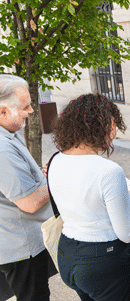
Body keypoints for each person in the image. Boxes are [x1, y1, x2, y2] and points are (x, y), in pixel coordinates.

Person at [48, 93, 130, 300]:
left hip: (68, 255)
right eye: (113, 124)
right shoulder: (108, 171)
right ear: (99, 126)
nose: (115, 131)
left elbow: (79, 190)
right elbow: (126, 233)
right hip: (103, 261)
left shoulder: (56, 159)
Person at [0, 75, 53, 301]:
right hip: (22, 247)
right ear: (2, 111)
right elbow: (29, 202)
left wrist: (40, 175)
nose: (32, 111)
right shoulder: (2, 148)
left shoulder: (9, 131)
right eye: (26, 107)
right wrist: (58, 177)